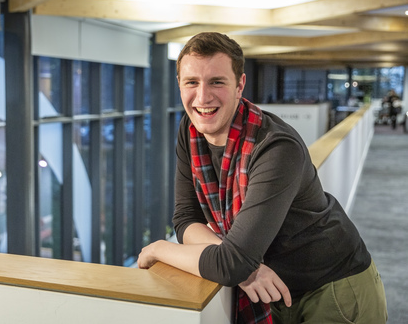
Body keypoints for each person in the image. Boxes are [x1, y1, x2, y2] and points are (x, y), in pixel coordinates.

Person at [137, 32, 387, 324]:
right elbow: (185, 219)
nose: (202, 97)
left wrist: (158, 249)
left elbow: (232, 264)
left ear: (240, 85)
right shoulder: (190, 131)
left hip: (334, 288)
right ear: (179, 85)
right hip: (274, 291)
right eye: (192, 82)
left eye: (217, 81)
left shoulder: (276, 147)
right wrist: (237, 260)